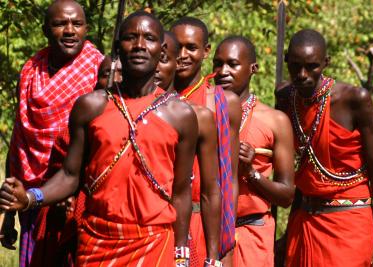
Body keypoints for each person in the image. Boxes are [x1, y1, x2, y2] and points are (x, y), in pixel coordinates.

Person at [0, 10, 198, 266]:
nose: (139, 45)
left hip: (154, 243)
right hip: (96, 244)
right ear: (117, 48)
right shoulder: (90, 106)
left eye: (148, 38)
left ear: (161, 52)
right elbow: (70, 176)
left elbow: (181, 193)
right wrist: (30, 198)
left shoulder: (181, 114)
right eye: (130, 38)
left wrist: (181, 257)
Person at [275, 29, 373, 267]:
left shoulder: (355, 99)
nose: (303, 74)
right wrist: (286, 235)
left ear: (326, 63)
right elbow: (300, 171)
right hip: (304, 223)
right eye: (295, 66)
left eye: (312, 66)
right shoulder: (286, 97)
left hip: (349, 226)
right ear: (286, 60)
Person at [1, 1, 103, 266]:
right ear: (46, 29)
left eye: (77, 24)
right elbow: (19, 141)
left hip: (78, 199)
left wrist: (74, 190)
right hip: (31, 195)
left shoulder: (100, 71)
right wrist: (10, 213)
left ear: (87, 29)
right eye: (60, 24)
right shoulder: (30, 72)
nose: (69, 30)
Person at [213, 36, 295, 267]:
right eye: (217, 64)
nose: (223, 71)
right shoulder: (202, 112)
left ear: (253, 69)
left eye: (232, 64)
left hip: (253, 234)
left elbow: (287, 196)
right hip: (208, 232)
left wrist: (251, 172)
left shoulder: (275, 120)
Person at [171, 17, 242, 266]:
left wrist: (226, 242)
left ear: (205, 51)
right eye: (176, 47)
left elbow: (229, 178)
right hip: (164, 221)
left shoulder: (223, 102)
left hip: (206, 222)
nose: (182, 55)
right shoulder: (156, 98)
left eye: (191, 47)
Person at [155, 30, 223, 267]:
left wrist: (215, 257)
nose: (183, 56)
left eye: (191, 48)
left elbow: (214, 187)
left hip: (191, 221)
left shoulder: (208, 110)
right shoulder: (126, 106)